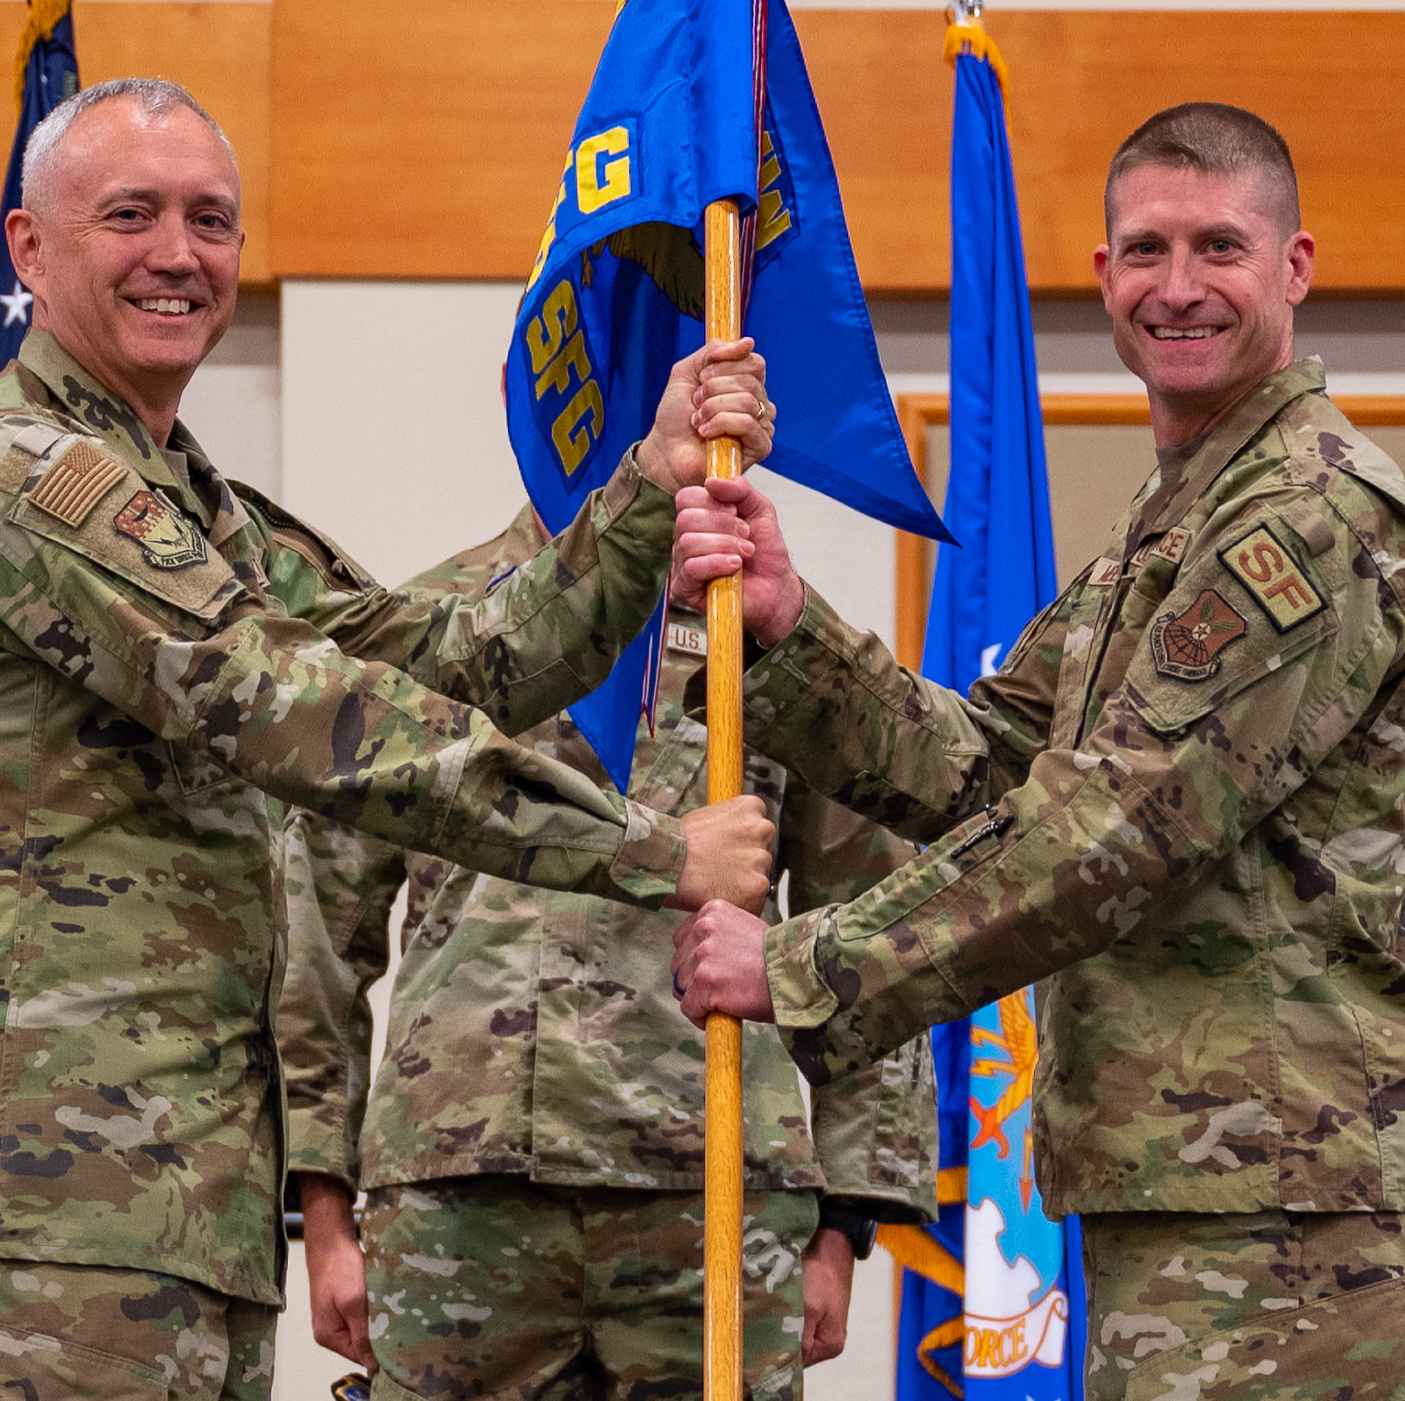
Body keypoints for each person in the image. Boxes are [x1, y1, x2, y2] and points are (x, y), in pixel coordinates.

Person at [0, 77, 778, 1401]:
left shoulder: (201, 510)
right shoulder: (8, 475)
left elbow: (451, 658)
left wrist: (648, 483)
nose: (180, 253)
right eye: (131, 214)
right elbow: (311, 717)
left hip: (182, 1203)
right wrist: (645, 848)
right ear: (29, 249)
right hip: (32, 1203)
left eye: (211, 220)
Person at [671, 103, 1405, 1401]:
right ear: (1100, 277)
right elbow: (986, 763)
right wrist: (786, 627)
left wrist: (807, 966)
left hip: (1281, 1198)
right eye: (1144, 250)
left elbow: (1108, 834)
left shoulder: (1309, 519)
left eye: (1217, 246)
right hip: (1192, 1183)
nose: (1176, 287)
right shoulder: (1172, 527)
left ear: (1292, 267)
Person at [276, 505, 938, 1401]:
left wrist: (846, 1222)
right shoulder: (427, 627)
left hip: (715, 1195)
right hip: (459, 1197)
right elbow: (318, 939)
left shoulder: (768, 634)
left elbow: (863, 932)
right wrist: (321, 1211)